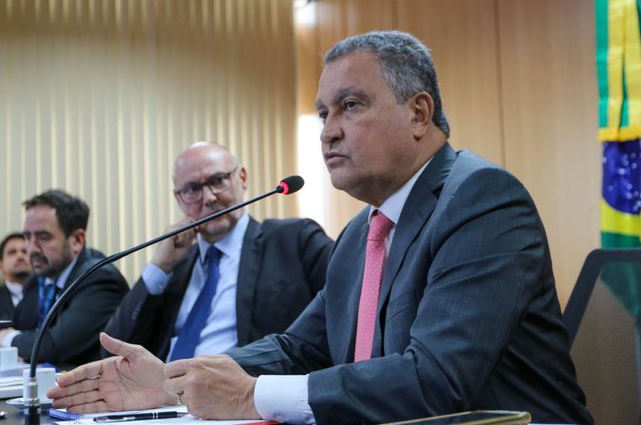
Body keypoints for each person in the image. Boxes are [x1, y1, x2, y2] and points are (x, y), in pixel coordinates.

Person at [49, 31, 593, 424]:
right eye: (322, 115)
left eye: (349, 106)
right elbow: (298, 348)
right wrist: (173, 380)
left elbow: (436, 381)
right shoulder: (365, 230)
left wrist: (252, 396)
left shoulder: (481, 199)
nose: (328, 133)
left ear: (419, 113)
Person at [104, 142, 332, 361]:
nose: (210, 198)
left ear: (242, 178)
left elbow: (347, 311)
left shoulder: (293, 240)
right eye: (192, 189)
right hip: (164, 396)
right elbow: (112, 351)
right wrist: (159, 267)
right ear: (179, 198)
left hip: (246, 392)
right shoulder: (176, 268)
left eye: (218, 180)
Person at [0, 190, 129, 369]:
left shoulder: (99, 278)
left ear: (77, 240)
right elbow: (21, 327)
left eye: (43, 237)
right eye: (28, 237)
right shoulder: (38, 280)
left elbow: (51, 347)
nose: (32, 248)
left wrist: (7, 338)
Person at [0, 232, 32, 319]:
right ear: (1, 265)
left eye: (25, 251)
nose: (20, 256)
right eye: (12, 252)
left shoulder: (49, 295)